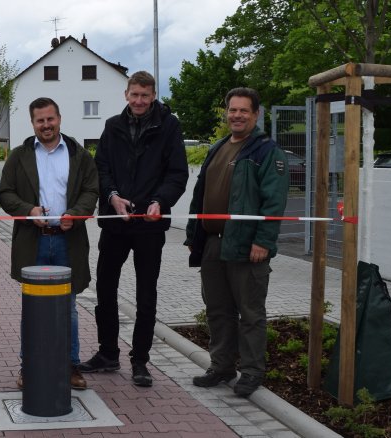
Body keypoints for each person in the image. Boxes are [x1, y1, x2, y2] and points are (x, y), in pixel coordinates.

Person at [77, 71, 189, 387]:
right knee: (105, 289)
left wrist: (159, 201)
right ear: (126, 94)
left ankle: (140, 360)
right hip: (116, 222)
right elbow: (102, 168)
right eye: (134, 94)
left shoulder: (169, 126)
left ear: (153, 96)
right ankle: (108, 353)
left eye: (145, 95)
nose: (139, 101)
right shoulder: (113, 126)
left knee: (146, 295)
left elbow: (177, 173)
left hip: (150, 226)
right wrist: (112, 197)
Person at [185, 87, 288, 397]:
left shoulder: (265, 151)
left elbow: (274, 201)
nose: (237, 115)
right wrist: (194, 235)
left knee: (250, 313)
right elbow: (200, 196)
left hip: (247, 246)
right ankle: (222, 366)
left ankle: (252, 372)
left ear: (256, 115)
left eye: (244, 110)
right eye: (233, 110)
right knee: (217, 309)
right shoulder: (217, 148)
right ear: (227, 112)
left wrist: (264, 241)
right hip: (213, 243)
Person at [0, 97, 99, 390]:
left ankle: (71, 366)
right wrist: (28, 210)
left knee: (68, 308)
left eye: (50, 119)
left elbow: (91, 190)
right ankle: (28, 367)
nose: (46, 125)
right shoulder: (20, 156)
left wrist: (76, 215)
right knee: (33, 308)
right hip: (34, 242)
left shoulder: (79, 154)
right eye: (40, 120)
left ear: (59, 118)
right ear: (32, 123)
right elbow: (5, 193)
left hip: (68, 241)